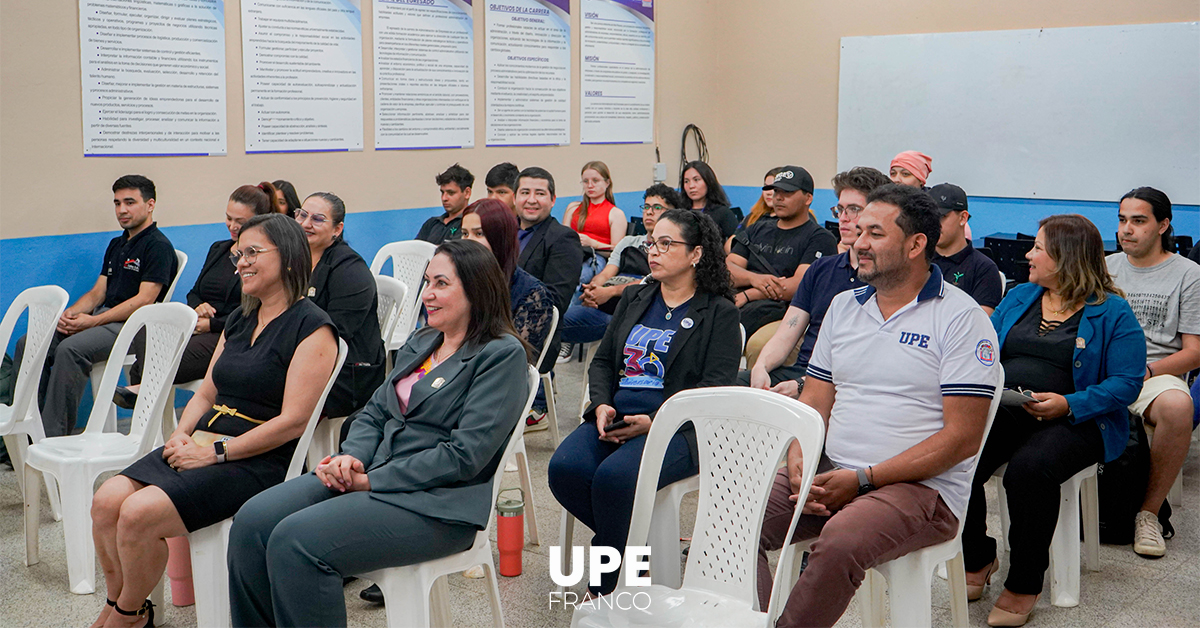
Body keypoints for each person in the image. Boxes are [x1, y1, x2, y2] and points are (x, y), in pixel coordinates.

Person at [227, 240, 532, 628]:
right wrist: (349, 457)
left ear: (476, 289)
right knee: (253, 522)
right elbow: (375, 411)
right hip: (374, 472)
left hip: (436, 504)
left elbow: (464, 455)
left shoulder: (500, 355)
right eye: (426, 282)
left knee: (296, 542)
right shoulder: (424, 341)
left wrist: (372, 480)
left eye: (441, 283)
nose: (428, 294)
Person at [757, 184, 1000, 628]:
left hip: (922, 489)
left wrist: (864, 480)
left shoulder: (962, 319)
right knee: (737, 513)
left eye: (874, 233)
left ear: (915, 244)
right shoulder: (843, 307)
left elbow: (962, 438)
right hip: (836, 471)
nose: (857, 242)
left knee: (840, 540)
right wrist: (800, 458)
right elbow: (814, 402)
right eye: (857, 230)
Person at [89, 214, 338, 628]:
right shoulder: (241, 318)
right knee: (106, 501)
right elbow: (207, 391)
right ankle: (123, 606)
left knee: (137, 513)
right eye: (239, 253)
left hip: (259, 460)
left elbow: (294, 422)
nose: (239, 262)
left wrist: (214, 455)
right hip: (204, 443)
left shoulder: (313, 328)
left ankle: (126, 616)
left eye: (253, 252)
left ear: (291, 259)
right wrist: (180, 436)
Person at [963, 215, 1144, 627]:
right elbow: (983, 348)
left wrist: (1069, 403)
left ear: (1066, 257)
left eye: (1039, 247)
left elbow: (1127, 383)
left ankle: (1024, 583)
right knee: (959, 454)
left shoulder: (1112, 311)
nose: (1028, 254)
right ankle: (979, 556)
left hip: (1080, 419)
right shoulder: (1021, 295)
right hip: (1009, 408)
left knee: (1029, 470)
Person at [548, 209, 740, 597]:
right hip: (617, 415)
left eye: (667, 244)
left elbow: (712, 391)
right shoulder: (636, 296)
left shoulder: (718, 312)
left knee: (614, 479)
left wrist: (654, 421)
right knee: (564, 469)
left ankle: (606, 586)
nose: (654, 251)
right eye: (652, 242)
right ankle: (633, 548)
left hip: (678, 428)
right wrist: (601, 404)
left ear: (697, 254)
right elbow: (602, 362)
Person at [13, 175, 178, 438]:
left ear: (150, 205)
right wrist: (72, 315)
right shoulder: (117, 244)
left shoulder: (158, 246)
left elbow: (144, 300)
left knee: (70, 350)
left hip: (134, 328)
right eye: (117, 203)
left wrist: (92, 322)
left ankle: (53, 438)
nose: (122, 210)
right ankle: (22, 430)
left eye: (130, 202)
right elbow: (97, 292)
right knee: (30, 342)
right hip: (104, 320)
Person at [116, 183, 279, 407]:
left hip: (228, 334)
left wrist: (211, 325)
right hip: (198, 326)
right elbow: (194, 292)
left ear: (258, 221)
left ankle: (143, 399)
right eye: (228, 218)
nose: (232, 226)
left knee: (150, 365)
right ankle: (148, 415)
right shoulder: (218, 249)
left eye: (240, 222)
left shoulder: (260, 258)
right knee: (147, 333)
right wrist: (198, 306)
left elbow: (252, 310)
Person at [1107, 187, 1200, 558]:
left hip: (1155, 373)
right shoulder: (1106, 267)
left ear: (1163, 225)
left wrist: (1146, 371)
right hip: (1106, 368)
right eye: (1122, 220)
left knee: (1179, 407)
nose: (1127, 229)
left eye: (1139, 221)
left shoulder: (1188, 274)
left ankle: (1148, 514)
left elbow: (1195, 352)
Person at [744, 166, 890, 393]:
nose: (843, 219)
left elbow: (866, 361)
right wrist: (761, 367)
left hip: (846, 384)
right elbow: (787, 333)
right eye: (840, 210)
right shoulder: (822, 269)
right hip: (802, 370)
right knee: (731, 387)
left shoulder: (884, 277)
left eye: (854, 210)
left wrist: (802, 385)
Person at [559, 184, 681, 349]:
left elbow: (655, 282)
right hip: (607, 307)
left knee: (618, 329)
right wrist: (594, 288)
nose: (649, 212)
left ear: (671, 213)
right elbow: (607, 272)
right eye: (646, 207)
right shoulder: (628, 242)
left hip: (643, 313)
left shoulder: (673, 247)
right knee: (554, 323)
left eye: (657, 207)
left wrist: (609, 292)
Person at [296, 192, 386, 418]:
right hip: (305, 357)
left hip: (348, 372)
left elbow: (334, 334)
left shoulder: (350, 269)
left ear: (337, 229)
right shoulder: (296, 260)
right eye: (302, 215)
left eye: (317, 219)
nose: (306, 224)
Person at [728, 165, 838, 338]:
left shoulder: (820, 238)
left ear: (808, 198)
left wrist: (749, 294)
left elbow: (799, 286)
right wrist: (754, 278)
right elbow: (728, 269)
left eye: (787, 193)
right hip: (738, 305)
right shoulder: (756, 228)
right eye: (776, 191)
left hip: (785, 313)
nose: (778, 197)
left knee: (757, 344)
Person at [514, 167, 584, 429]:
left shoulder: (562, 238)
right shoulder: (506, 231)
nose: (532, 199)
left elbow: (556, 300)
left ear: (553, 200)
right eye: (525, 192)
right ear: (515, 197)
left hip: (535, 332)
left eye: (540, 193)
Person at [462, 198, 556, 354]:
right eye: (465, 234)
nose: (468, 241)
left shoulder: (533, 294)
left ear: (499, 239)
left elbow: (517, 358)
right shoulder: (459, 280)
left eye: (479, 233)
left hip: (500, 372)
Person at [929, 183, 1002, 314]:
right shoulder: (916, 260)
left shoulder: (984, 269)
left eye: (941, 217)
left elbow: (979, 324)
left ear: (963, 218)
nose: (933, 224)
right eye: (929, 216)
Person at [564, 161, 628, 286]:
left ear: (607, 183)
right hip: (571, 254)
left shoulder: (615, 214)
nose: (590, 185)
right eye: (586, 181)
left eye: (595, 180)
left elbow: (617, 251)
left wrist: (594, 244)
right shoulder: (573, 208)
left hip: (596, 257)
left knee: (577, 278)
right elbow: (561, 237)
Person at [680, 160, 739, 243]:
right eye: (686, 181)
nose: (691, 186)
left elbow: (737, 243)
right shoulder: (679, 212)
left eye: (696, 180)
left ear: (708, 182)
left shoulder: (723, 213)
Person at [416, 163, 473, 244]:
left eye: (451, 193)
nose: (444, 198)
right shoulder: (432, 223)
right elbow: (415, 250)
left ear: (467, 193)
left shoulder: (472, 224)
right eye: (442, 192)